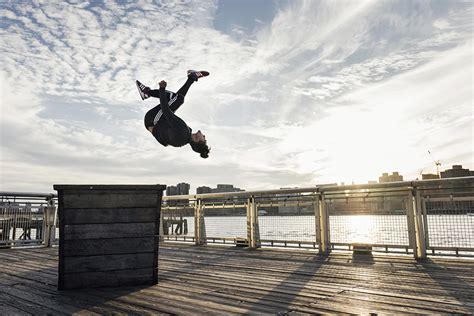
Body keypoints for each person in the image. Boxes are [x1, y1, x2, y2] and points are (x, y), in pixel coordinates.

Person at [136, 70, 211, 158]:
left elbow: (166, 111)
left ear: (197, 140)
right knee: (177, 99)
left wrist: (162, 89)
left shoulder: (183, 131)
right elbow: (165, 141)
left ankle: (147, 92)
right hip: (156, 122)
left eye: (204, 139)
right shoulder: (183, 140)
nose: (204, 136)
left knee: (177, 99)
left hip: (153, 120)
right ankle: (191, 78)